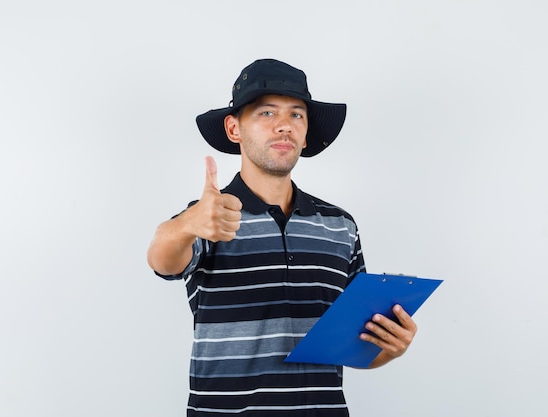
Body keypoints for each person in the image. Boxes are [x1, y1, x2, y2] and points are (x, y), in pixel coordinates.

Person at [147, 58, 418, 416]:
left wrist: (389, 347)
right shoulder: (210, 217)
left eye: (296, 115)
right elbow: (161, 261)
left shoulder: (340, 226)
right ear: (234, 129)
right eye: (266, 113)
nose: (284, 127)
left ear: (305, 134)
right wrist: (185, 224)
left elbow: (354, 344)